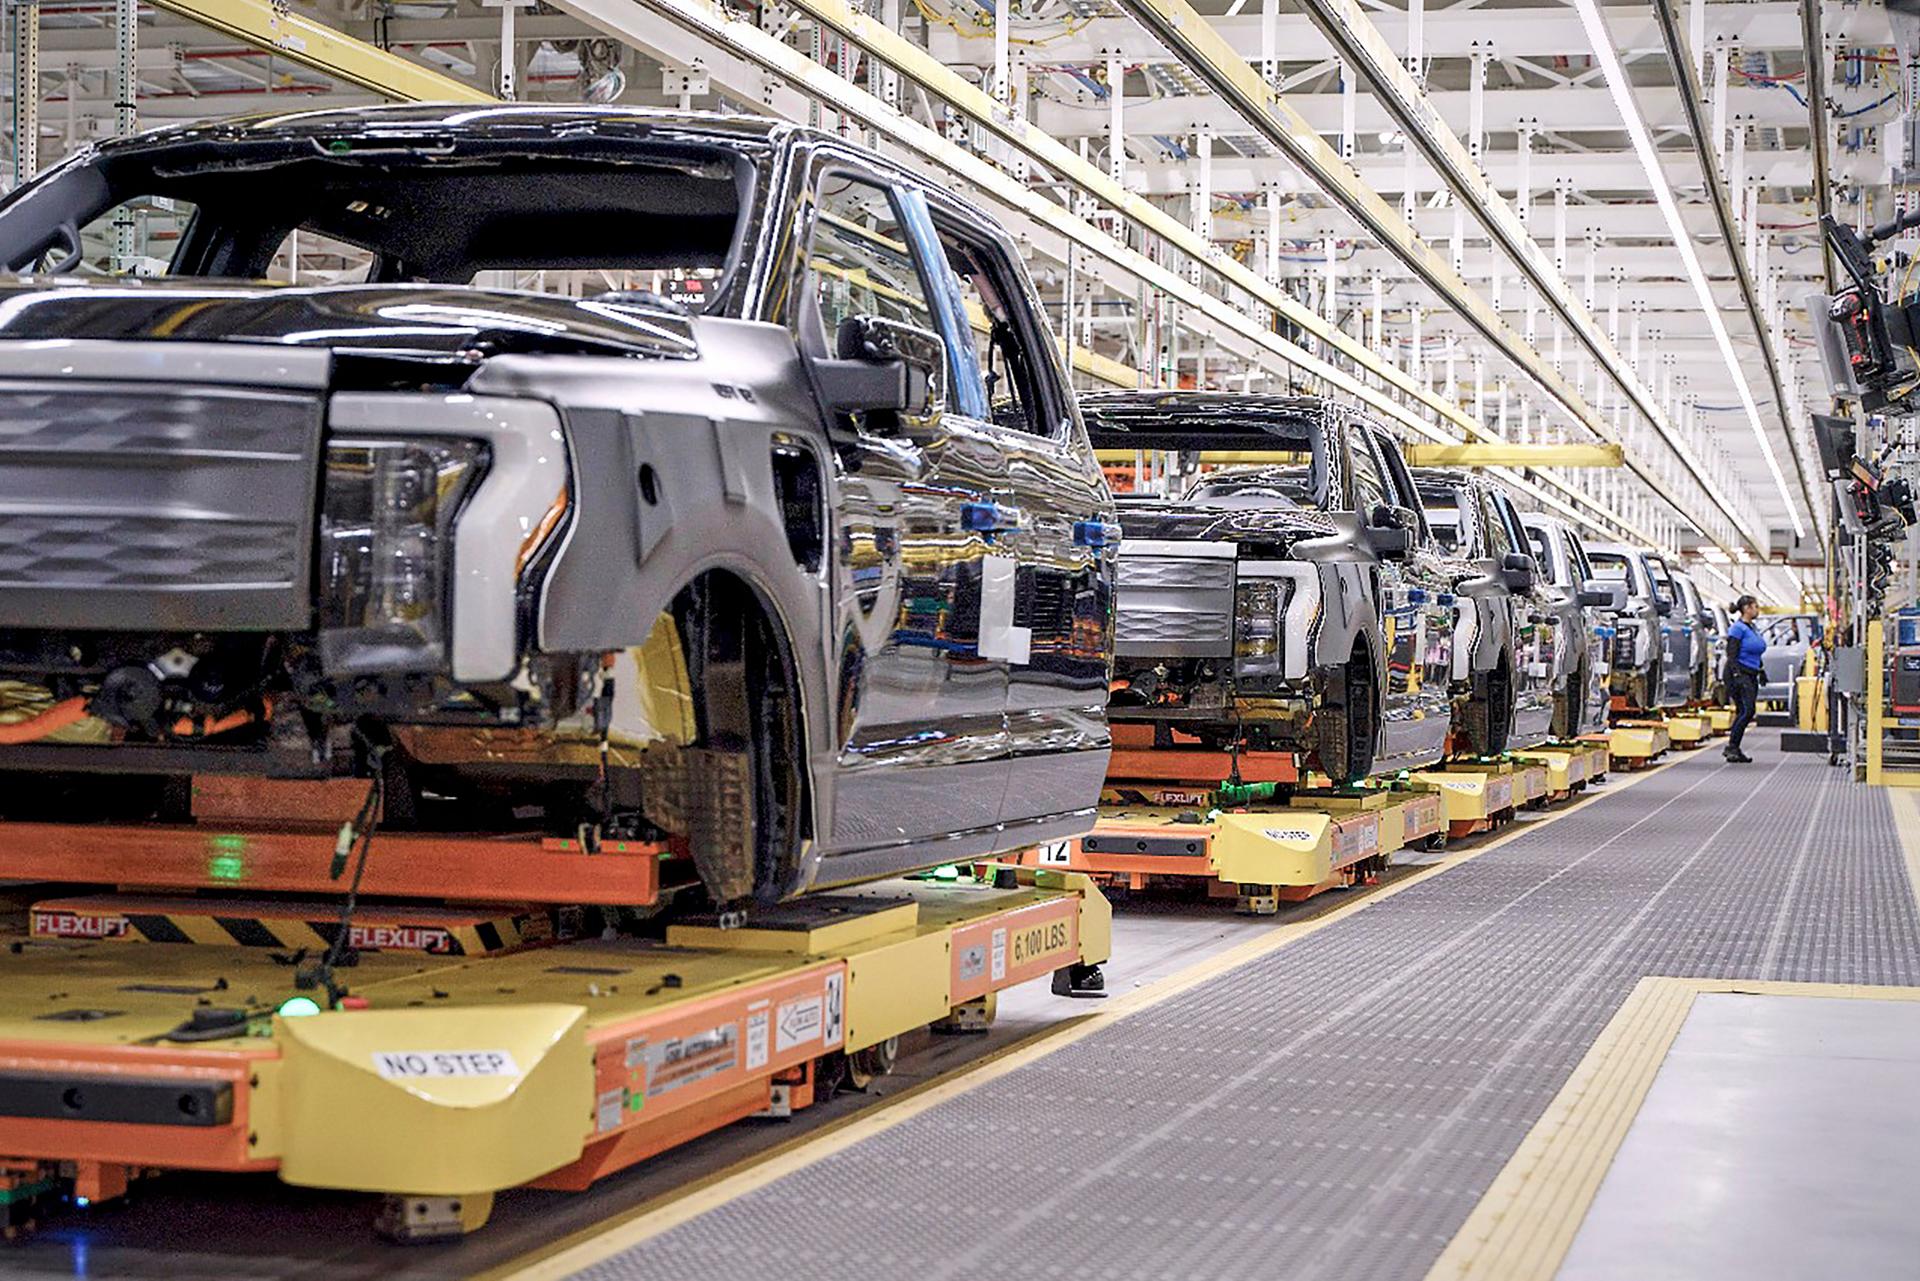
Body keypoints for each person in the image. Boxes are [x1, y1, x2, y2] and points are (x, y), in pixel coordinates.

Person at [1723, 595, 1765, 763]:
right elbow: (1731, 654)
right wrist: (1737, 675)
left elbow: (1754, 652)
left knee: (1744, 711)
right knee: (1747, 711)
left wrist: (1761, 670)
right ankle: (1731, 747)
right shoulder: (1737, 629)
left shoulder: (1752, 628)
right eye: (1755, 606)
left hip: (1751, 673)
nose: (1757, 610)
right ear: (1747, 608)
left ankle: (1734, 748)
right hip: (1739, 674)